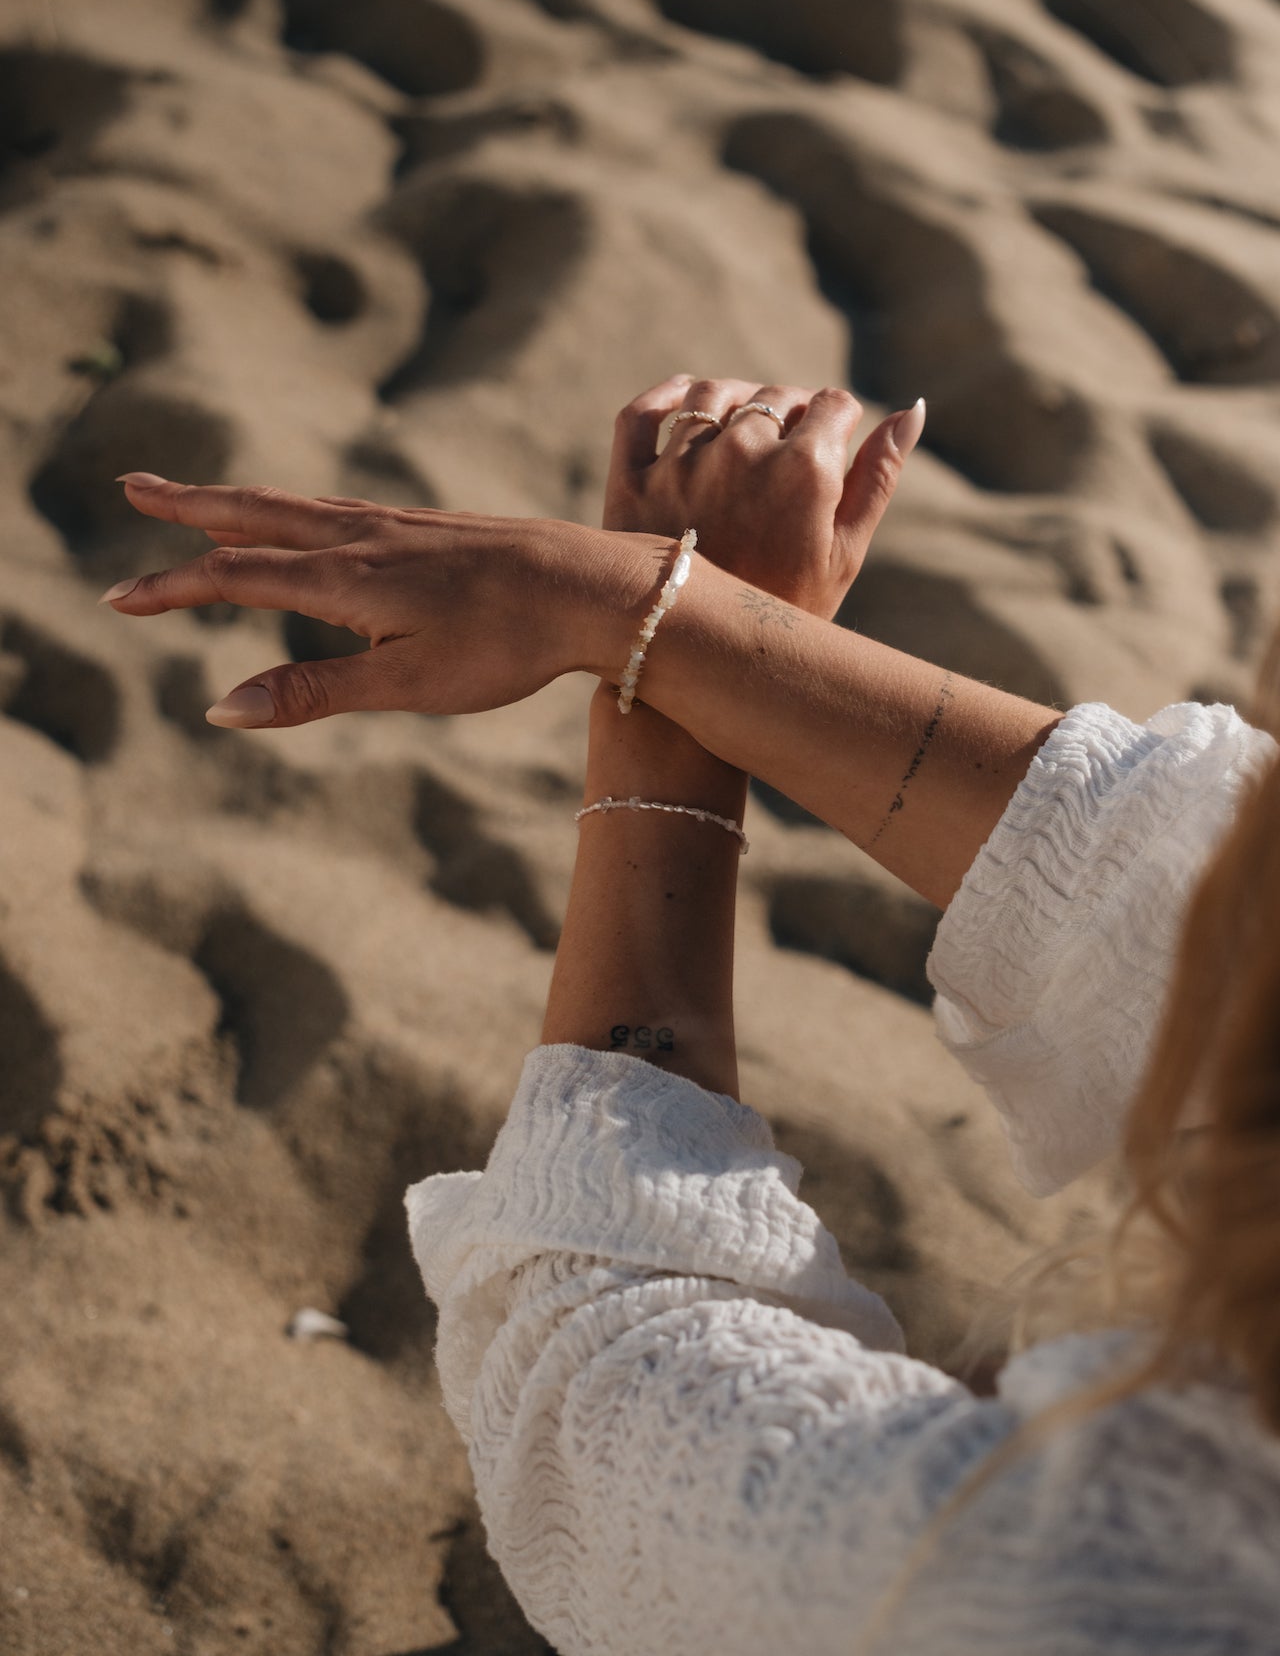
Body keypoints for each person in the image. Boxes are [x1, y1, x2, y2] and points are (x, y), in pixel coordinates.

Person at [104, 377, 1280, 1654]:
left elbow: (596, 1376)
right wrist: (637, 609)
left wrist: (656, 687)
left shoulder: (1143, 1579)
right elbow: (1175, 895)